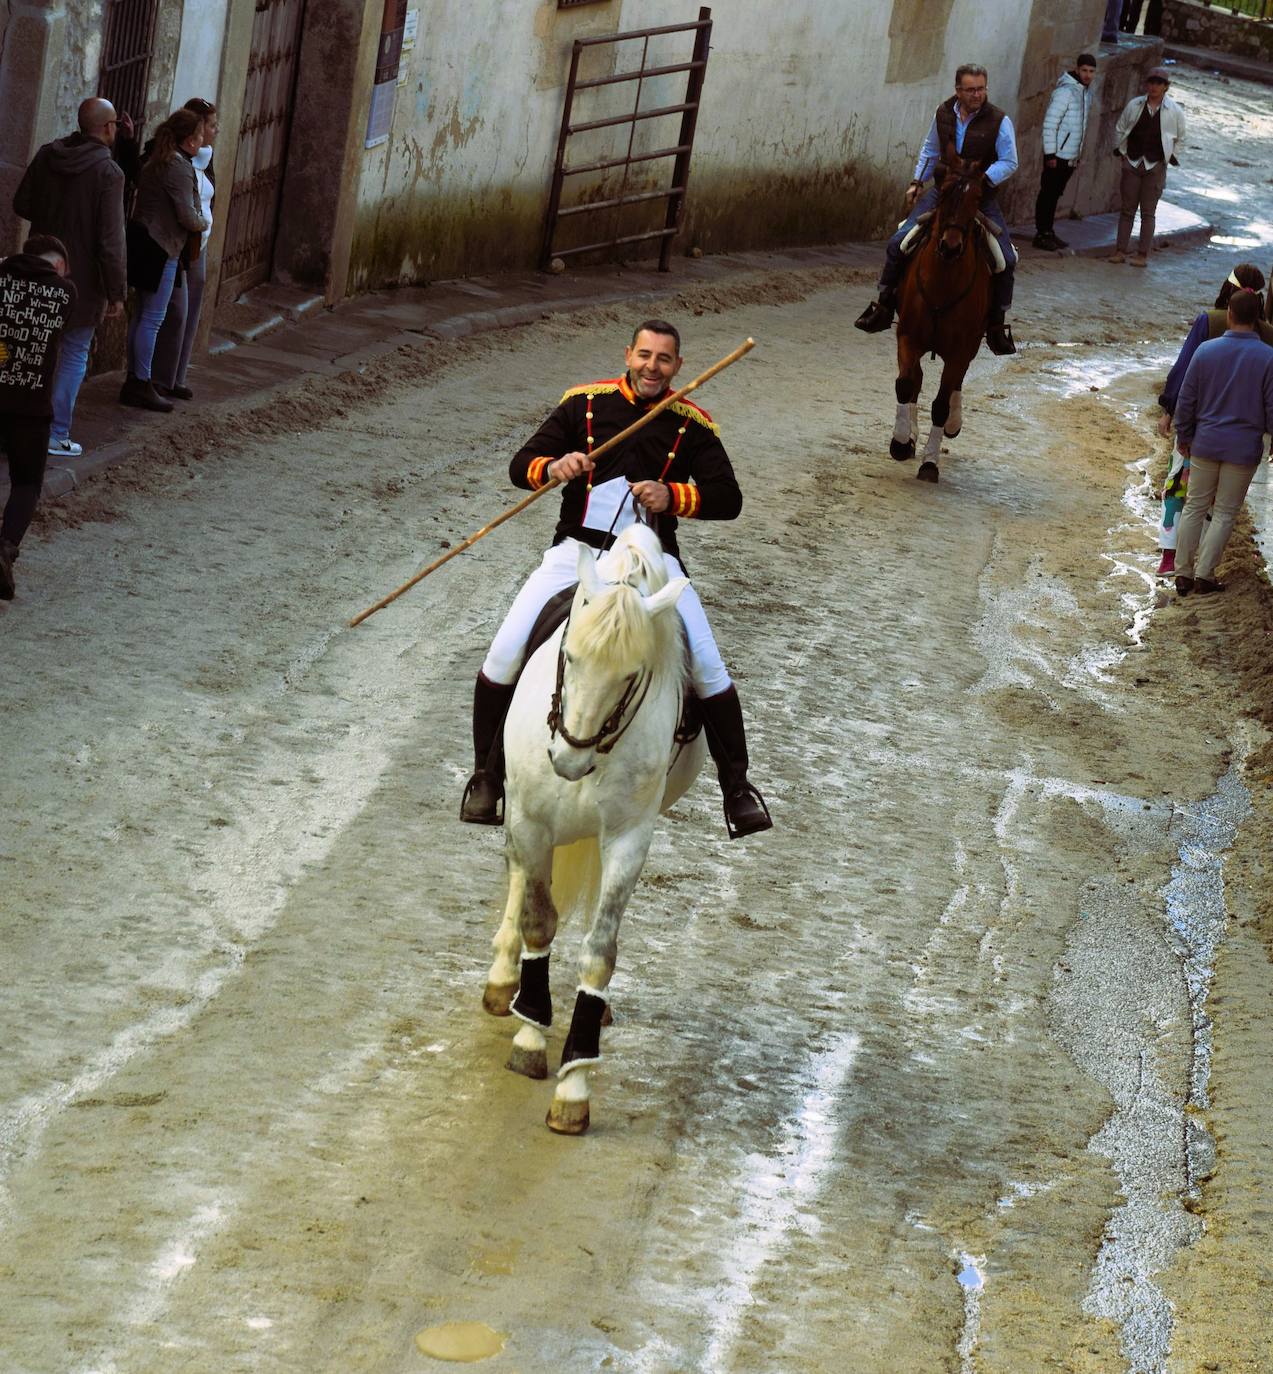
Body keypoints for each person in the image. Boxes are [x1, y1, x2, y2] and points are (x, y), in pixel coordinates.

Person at [460, 320, 773, 839]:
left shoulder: (693, 423)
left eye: (664, 359)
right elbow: (521, 465)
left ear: (677, 366)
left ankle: (737, 790)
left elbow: (728, 498)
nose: (652, 366)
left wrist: (673, 496)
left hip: (654, 560)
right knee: (505, 651)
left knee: (709, 666)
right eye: (644, 355)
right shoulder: (582, 403)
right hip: (577, 552)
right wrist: (553, 467)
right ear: (628, 355)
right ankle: (486, 777)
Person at [854, 63, 1020, 356]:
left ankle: (996, 326)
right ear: (958, 90)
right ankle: (884, 305)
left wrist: (980, 180)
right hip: (943, 192)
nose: (977, 95)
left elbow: (1010, 161)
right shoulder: (943, 113)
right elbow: (930, 150)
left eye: (981, 89)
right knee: (898, 243)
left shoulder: (999, 120)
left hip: (979, 196)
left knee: (1006, 258)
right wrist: (917, 182)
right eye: (971, 90)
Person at [12, 97, 127, 460]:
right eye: (115, 124)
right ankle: (55, 432)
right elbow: (111, 240)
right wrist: (117, 291)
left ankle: (17, 426)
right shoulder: (108, 173)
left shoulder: (49, 155)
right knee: (74, 352)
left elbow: (21, 204)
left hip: (38, 269)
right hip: (83, 281)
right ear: (107, 128)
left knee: (30, 351)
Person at [1154, 265, 1271, 575]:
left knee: (1182, 492)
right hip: (1243, 444)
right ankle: (1204, 571)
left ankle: (1174, 563)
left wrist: (1173, 417)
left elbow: (1184, 380)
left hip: (1201, 434)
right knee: (1222, 510)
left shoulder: (1208, 325)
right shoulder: (1267, 339)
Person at [0, 235, 76, 600]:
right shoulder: (65, 293)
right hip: (31, 406)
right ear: (58, 266)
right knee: (27, 483)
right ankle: (5, 549)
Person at [121, 109, 208, 412]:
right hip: (161, 246)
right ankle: (141, 381)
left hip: (144, 241)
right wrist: (203, 223)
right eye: (200, 134)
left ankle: (135, 378)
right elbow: (187, 215)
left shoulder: (159, 158)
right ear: (190, 140)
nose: (202, 140)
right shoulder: (177, 166)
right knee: (152, 318)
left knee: (142, 315)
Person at [153, 98, 218, 400]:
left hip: (197, 245)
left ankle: (177, 376)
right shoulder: (177, 160)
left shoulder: (206, 157)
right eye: (212, 125)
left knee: (190, 311)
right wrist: (198, 224)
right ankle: (160, 378)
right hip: (178, 243)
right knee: (175, 312)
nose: (216, 131)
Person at [1110, 68, 1185, 267]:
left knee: (1148, 212)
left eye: (1159, 83)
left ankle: (1142, 255)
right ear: (1146, 84)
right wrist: (1122, 153)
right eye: (1151, 82)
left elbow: (1181, 138)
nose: (1154, 87)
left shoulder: (1175, 111)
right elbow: (1120, 128)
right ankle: (1120, 251)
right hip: (1132, 162)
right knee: (1127, 210)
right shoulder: (1135, 105)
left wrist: (1169, 158)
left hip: (1155, 166)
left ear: (1166, 87)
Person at [1034, 54, 1097, 251]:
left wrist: (1076, 156)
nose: (1088, 75)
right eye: (1084, 70)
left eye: (1091, 71)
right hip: (1057, 155)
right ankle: (1041, 234)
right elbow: (1050, 123)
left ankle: (1048, 231)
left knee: (1054, 195)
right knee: (1048, 194)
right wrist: (1050, 154)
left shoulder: (1085, 93)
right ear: (1077, 70)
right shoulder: (1065, 92)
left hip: (1070, 156)